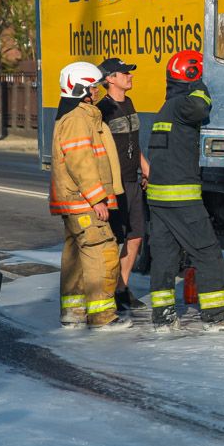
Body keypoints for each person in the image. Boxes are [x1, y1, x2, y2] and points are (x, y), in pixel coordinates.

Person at [145, 50, 224, 332]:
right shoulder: (183, 105)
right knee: (208, 253)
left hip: (159, 197)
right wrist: (199, 84)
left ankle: (162, 315)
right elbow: (201, 108)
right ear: (190, 74)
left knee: (164, 257)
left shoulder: (166, 107)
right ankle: (215, 316)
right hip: (181, 197)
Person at [50, 61, 130, 331]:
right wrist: (97, 198)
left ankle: (74, 312)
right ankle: (102, 316)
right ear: (81, 88)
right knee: (101, 251)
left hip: (75, 201)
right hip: (84, 201)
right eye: (93, 86)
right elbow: (80, 162)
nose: (97, 91)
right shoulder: (78, 119)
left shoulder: (77, 116)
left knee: (76, 256)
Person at [96, 57, 150, 311]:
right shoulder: (102, 109)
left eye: (130, 72)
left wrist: (145, 166)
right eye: (124, 73)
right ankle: (105, 292)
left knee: (136, 236)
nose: (130, 76)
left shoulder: (128, 103)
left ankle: (122, 288)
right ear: (110, 79)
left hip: (133, 181)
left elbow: (133, 142)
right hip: (114, 185)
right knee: (113, 239)